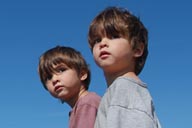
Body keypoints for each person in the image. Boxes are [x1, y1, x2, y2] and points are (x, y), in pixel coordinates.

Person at [88, 7, 161, 128]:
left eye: (114, 36)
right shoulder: (119, 90)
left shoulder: (125, 88)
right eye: (97, 40)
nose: (103, 43)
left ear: (137, 49)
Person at [38, 45, 101, 128]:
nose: (54, 79)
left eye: (61, 70)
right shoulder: (81, 106)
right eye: (48, 77)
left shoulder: (87, 103)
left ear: (82, 74)